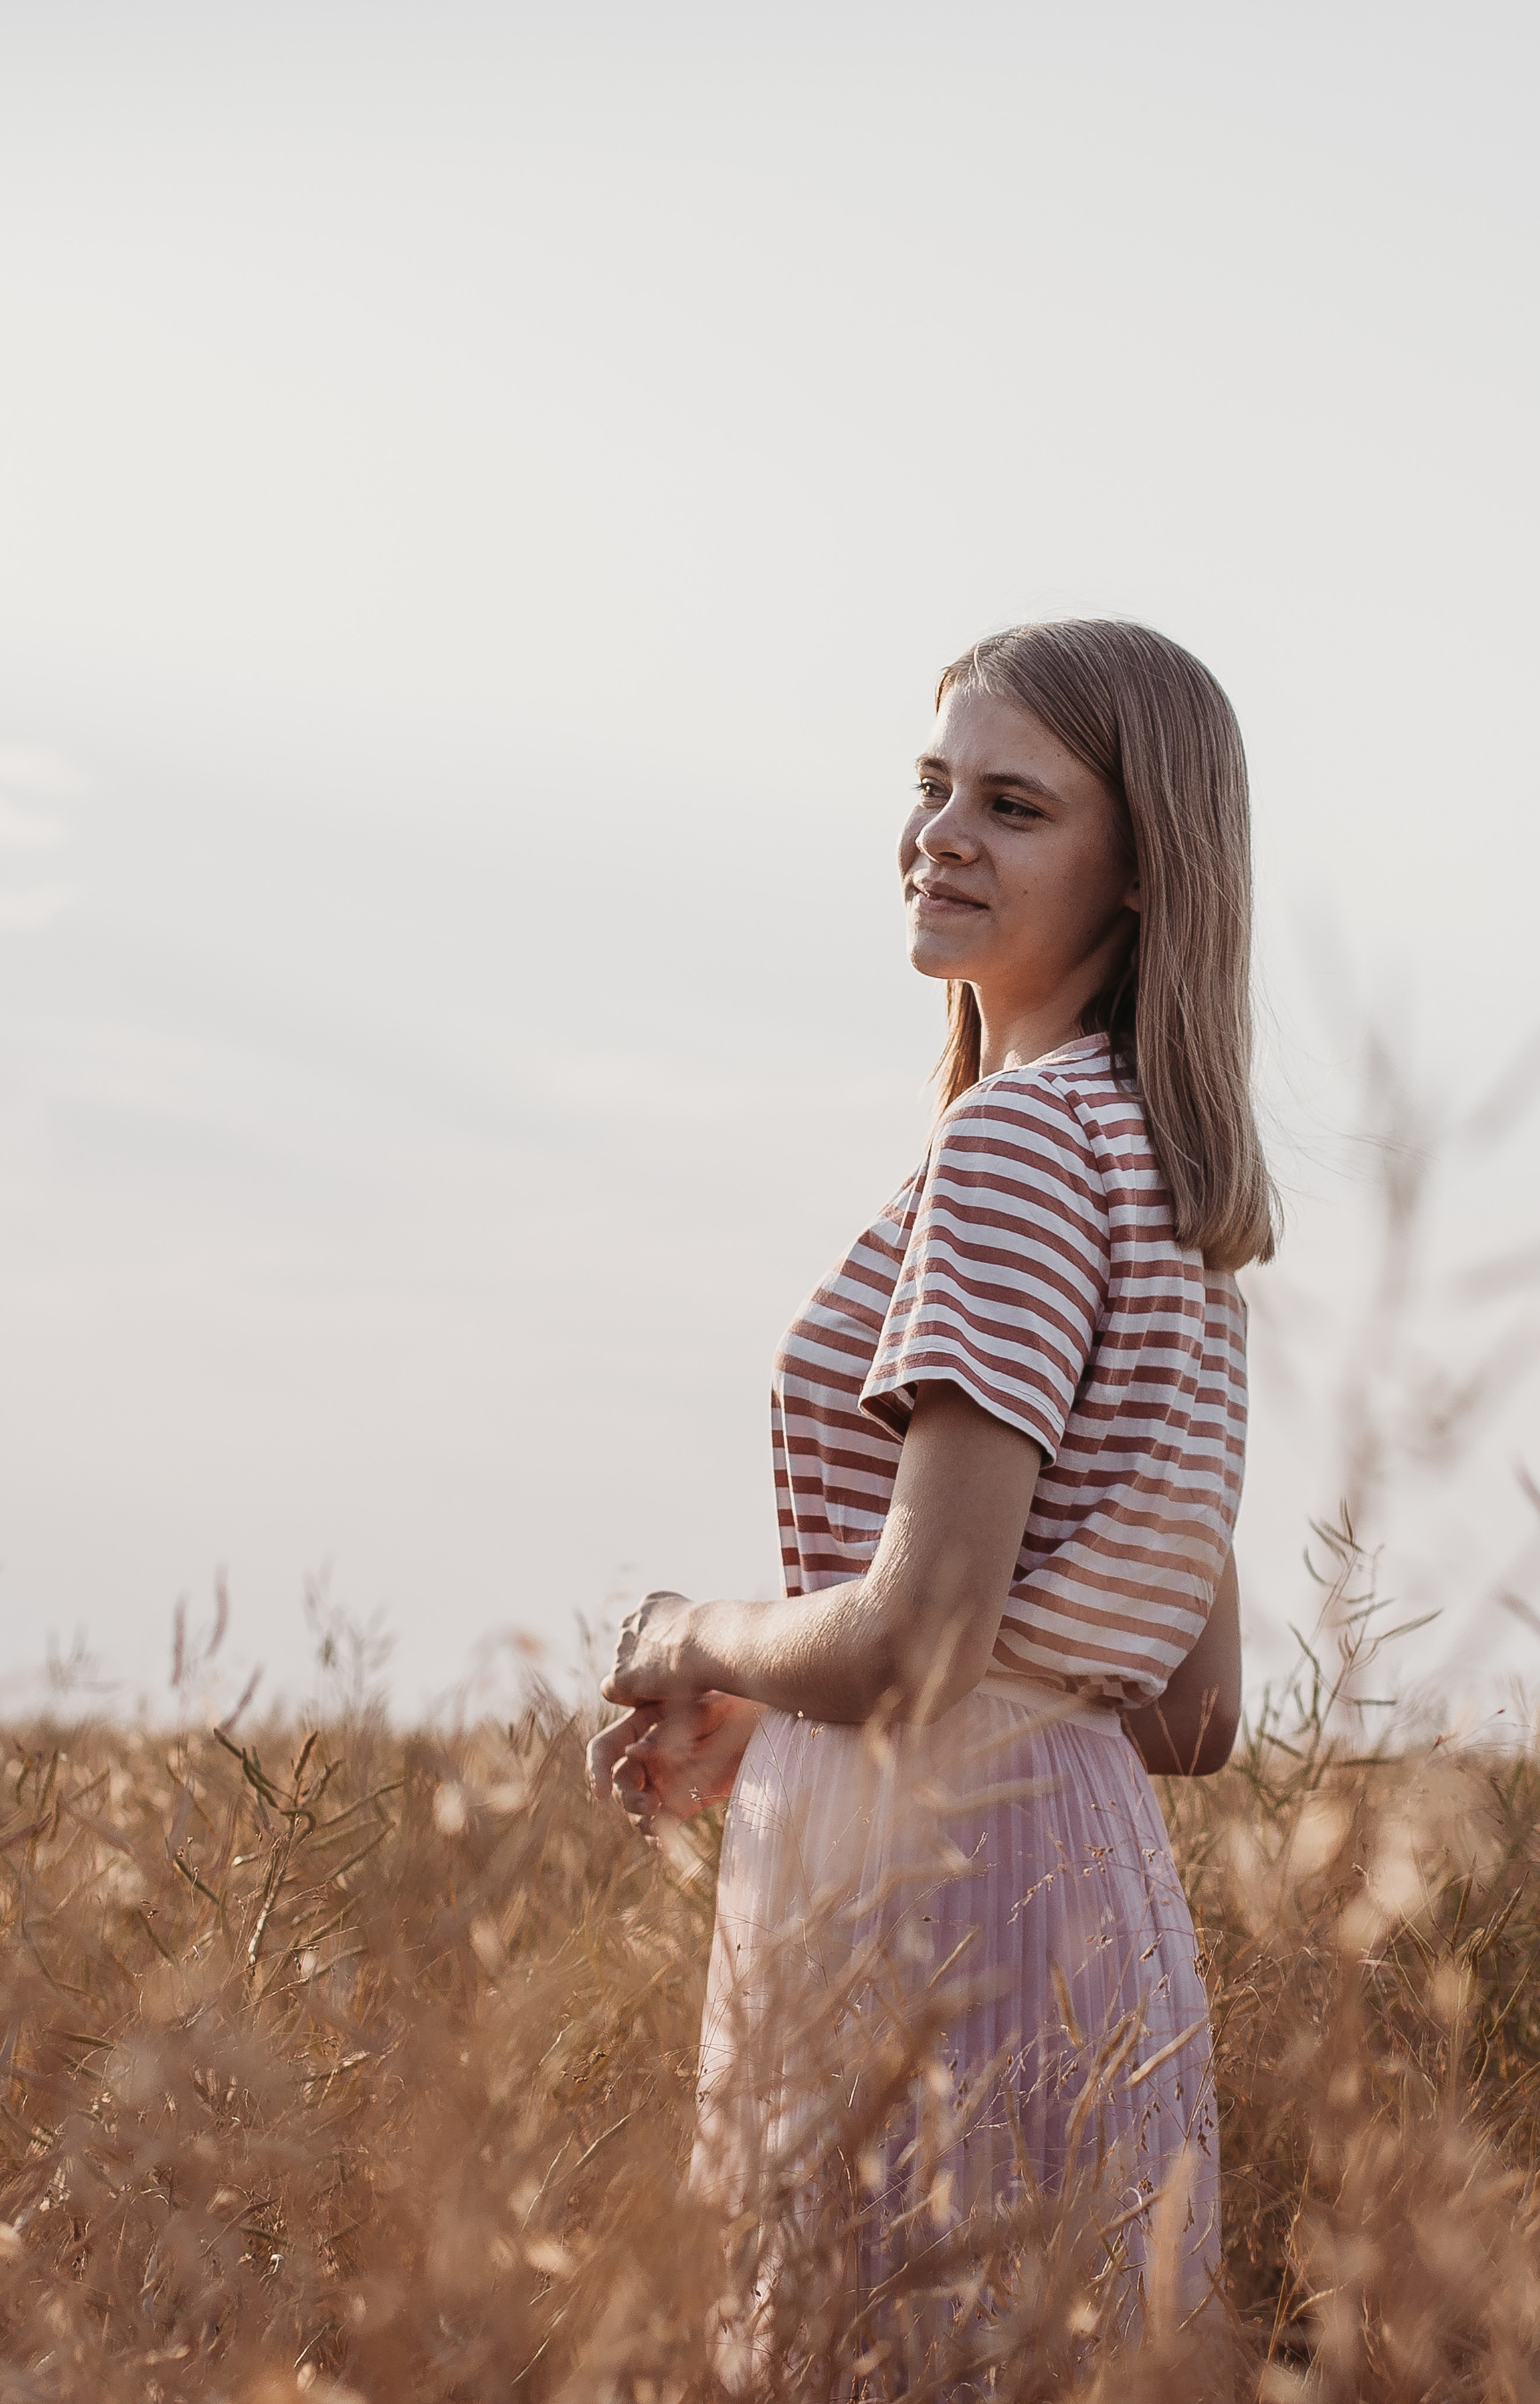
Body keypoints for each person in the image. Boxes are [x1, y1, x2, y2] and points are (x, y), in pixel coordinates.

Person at [587, 620, 1275, 2375]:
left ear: (1144, 870)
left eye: (1014, 806)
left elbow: (917, 1648)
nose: (941, 835)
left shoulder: (1020, 1142)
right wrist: (784, 1709)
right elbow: (1191, 1710)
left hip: (928, 1895)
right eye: (933, 785)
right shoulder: (1178, 1180)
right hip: (1092, 1885)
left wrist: (692, 1635)